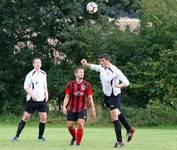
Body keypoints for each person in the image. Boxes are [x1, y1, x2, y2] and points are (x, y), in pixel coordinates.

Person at [81, 54, 135, 148]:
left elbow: (126, 82)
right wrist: (86, 64)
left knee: (114, 116)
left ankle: (119, 142)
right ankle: (129, 129)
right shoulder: (102, 68)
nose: (100, 63)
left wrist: (119, 86)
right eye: (100, 61)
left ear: (107, 61)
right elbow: (93, 67)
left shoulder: (115, 70)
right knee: (117, 113)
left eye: (102, 61)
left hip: (115, 95)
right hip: (107, 96)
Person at [12, 58, 48, 142]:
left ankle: (40, 137)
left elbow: (45, 85)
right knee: (26, 117)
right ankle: (16, 136)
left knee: (43, 117)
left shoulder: (43, 73)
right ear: (33, 64)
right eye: (36, 63)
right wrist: (32, 95)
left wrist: (46, 93)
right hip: (32, 100)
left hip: (42, 100)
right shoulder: (30, 74)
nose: (38, 64)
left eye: (39, 62)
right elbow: (26, 86)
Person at [63, 66, 96, 146]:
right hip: (71, 108)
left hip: (82, 108)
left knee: (80, 124)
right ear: (76, 74)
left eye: (83, 72)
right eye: (80, 72)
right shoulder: (70, 84)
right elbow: (67, 96)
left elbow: (90, 98)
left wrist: (93, 110)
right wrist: (64, 106)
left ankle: (77, 144)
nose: (82, 74)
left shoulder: (86, 85)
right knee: (70, 126)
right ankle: (74, 137)